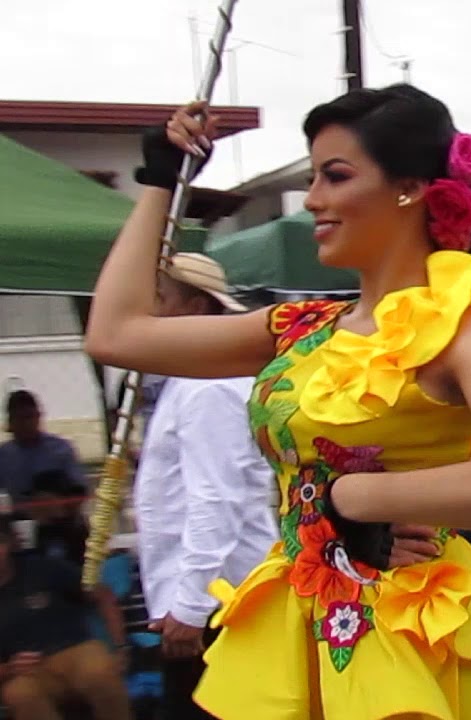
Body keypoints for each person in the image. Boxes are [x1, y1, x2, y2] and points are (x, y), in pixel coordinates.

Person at [83, 85, 471, 718]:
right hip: (300, 614)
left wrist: (362, 498)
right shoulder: (300, 328)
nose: (313, 198)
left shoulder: (460, 334)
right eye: (314, 176)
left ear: (409, 188)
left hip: (410, 628)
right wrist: (159, 180)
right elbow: (116, 334)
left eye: (335, 176)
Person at [130, 253, 280, 720]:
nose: (149, 311)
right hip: (211, 602)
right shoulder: (190, 380)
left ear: (194, 308)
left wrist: (191, 605)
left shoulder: (208, 387)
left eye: (160, 299)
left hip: (221, 605)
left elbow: (217, 502)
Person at [0, 515, 132, 720]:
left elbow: (102, 595)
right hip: (25, 670)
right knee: (19, 695)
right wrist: (8, 668)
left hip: (76, 649)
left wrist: (120, 646)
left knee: (99, 672)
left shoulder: (42, 568)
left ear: (8, 544)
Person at [0, 391, 86, 499]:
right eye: (20, 418)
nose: (26, 424)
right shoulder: (4, 455)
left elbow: (79, 490)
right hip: (21, 514)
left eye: (29, 417)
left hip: (62, 512)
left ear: (38, 416)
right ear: (10, 422)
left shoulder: (60, 449)